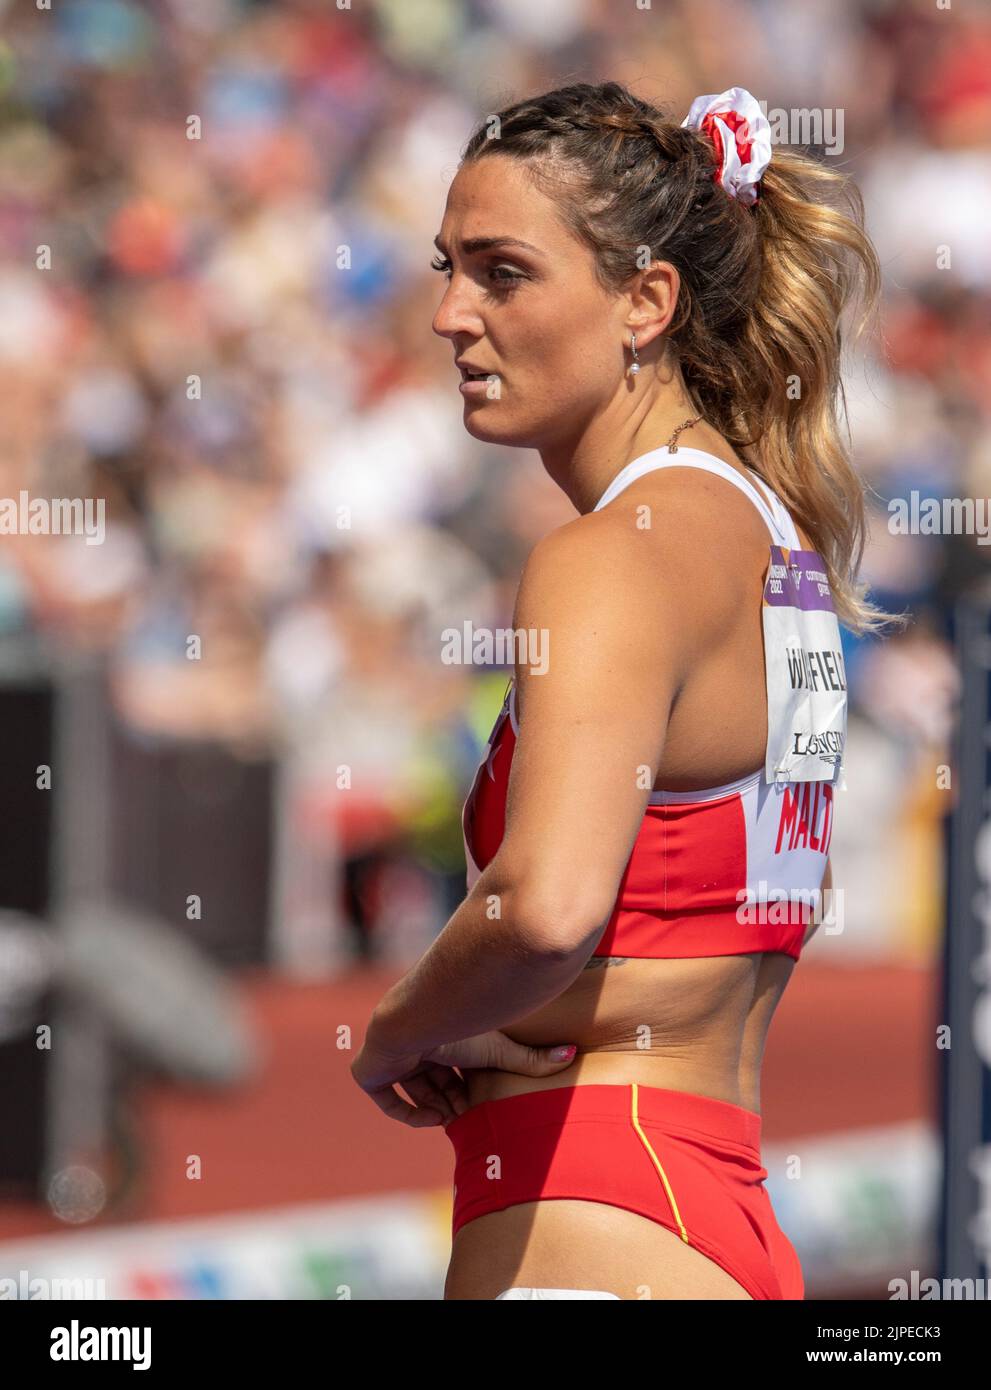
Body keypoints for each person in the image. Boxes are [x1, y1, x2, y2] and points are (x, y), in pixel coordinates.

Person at [352, 81, 896, 1300]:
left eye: (502, 273)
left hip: (588, 1221)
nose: (449, 314)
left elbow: (546, 908)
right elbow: (682, 917)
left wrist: (395, 1030)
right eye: (447, 266)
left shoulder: (611, 557)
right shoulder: (769, 540)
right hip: (708, 1210)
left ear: (645, 301)